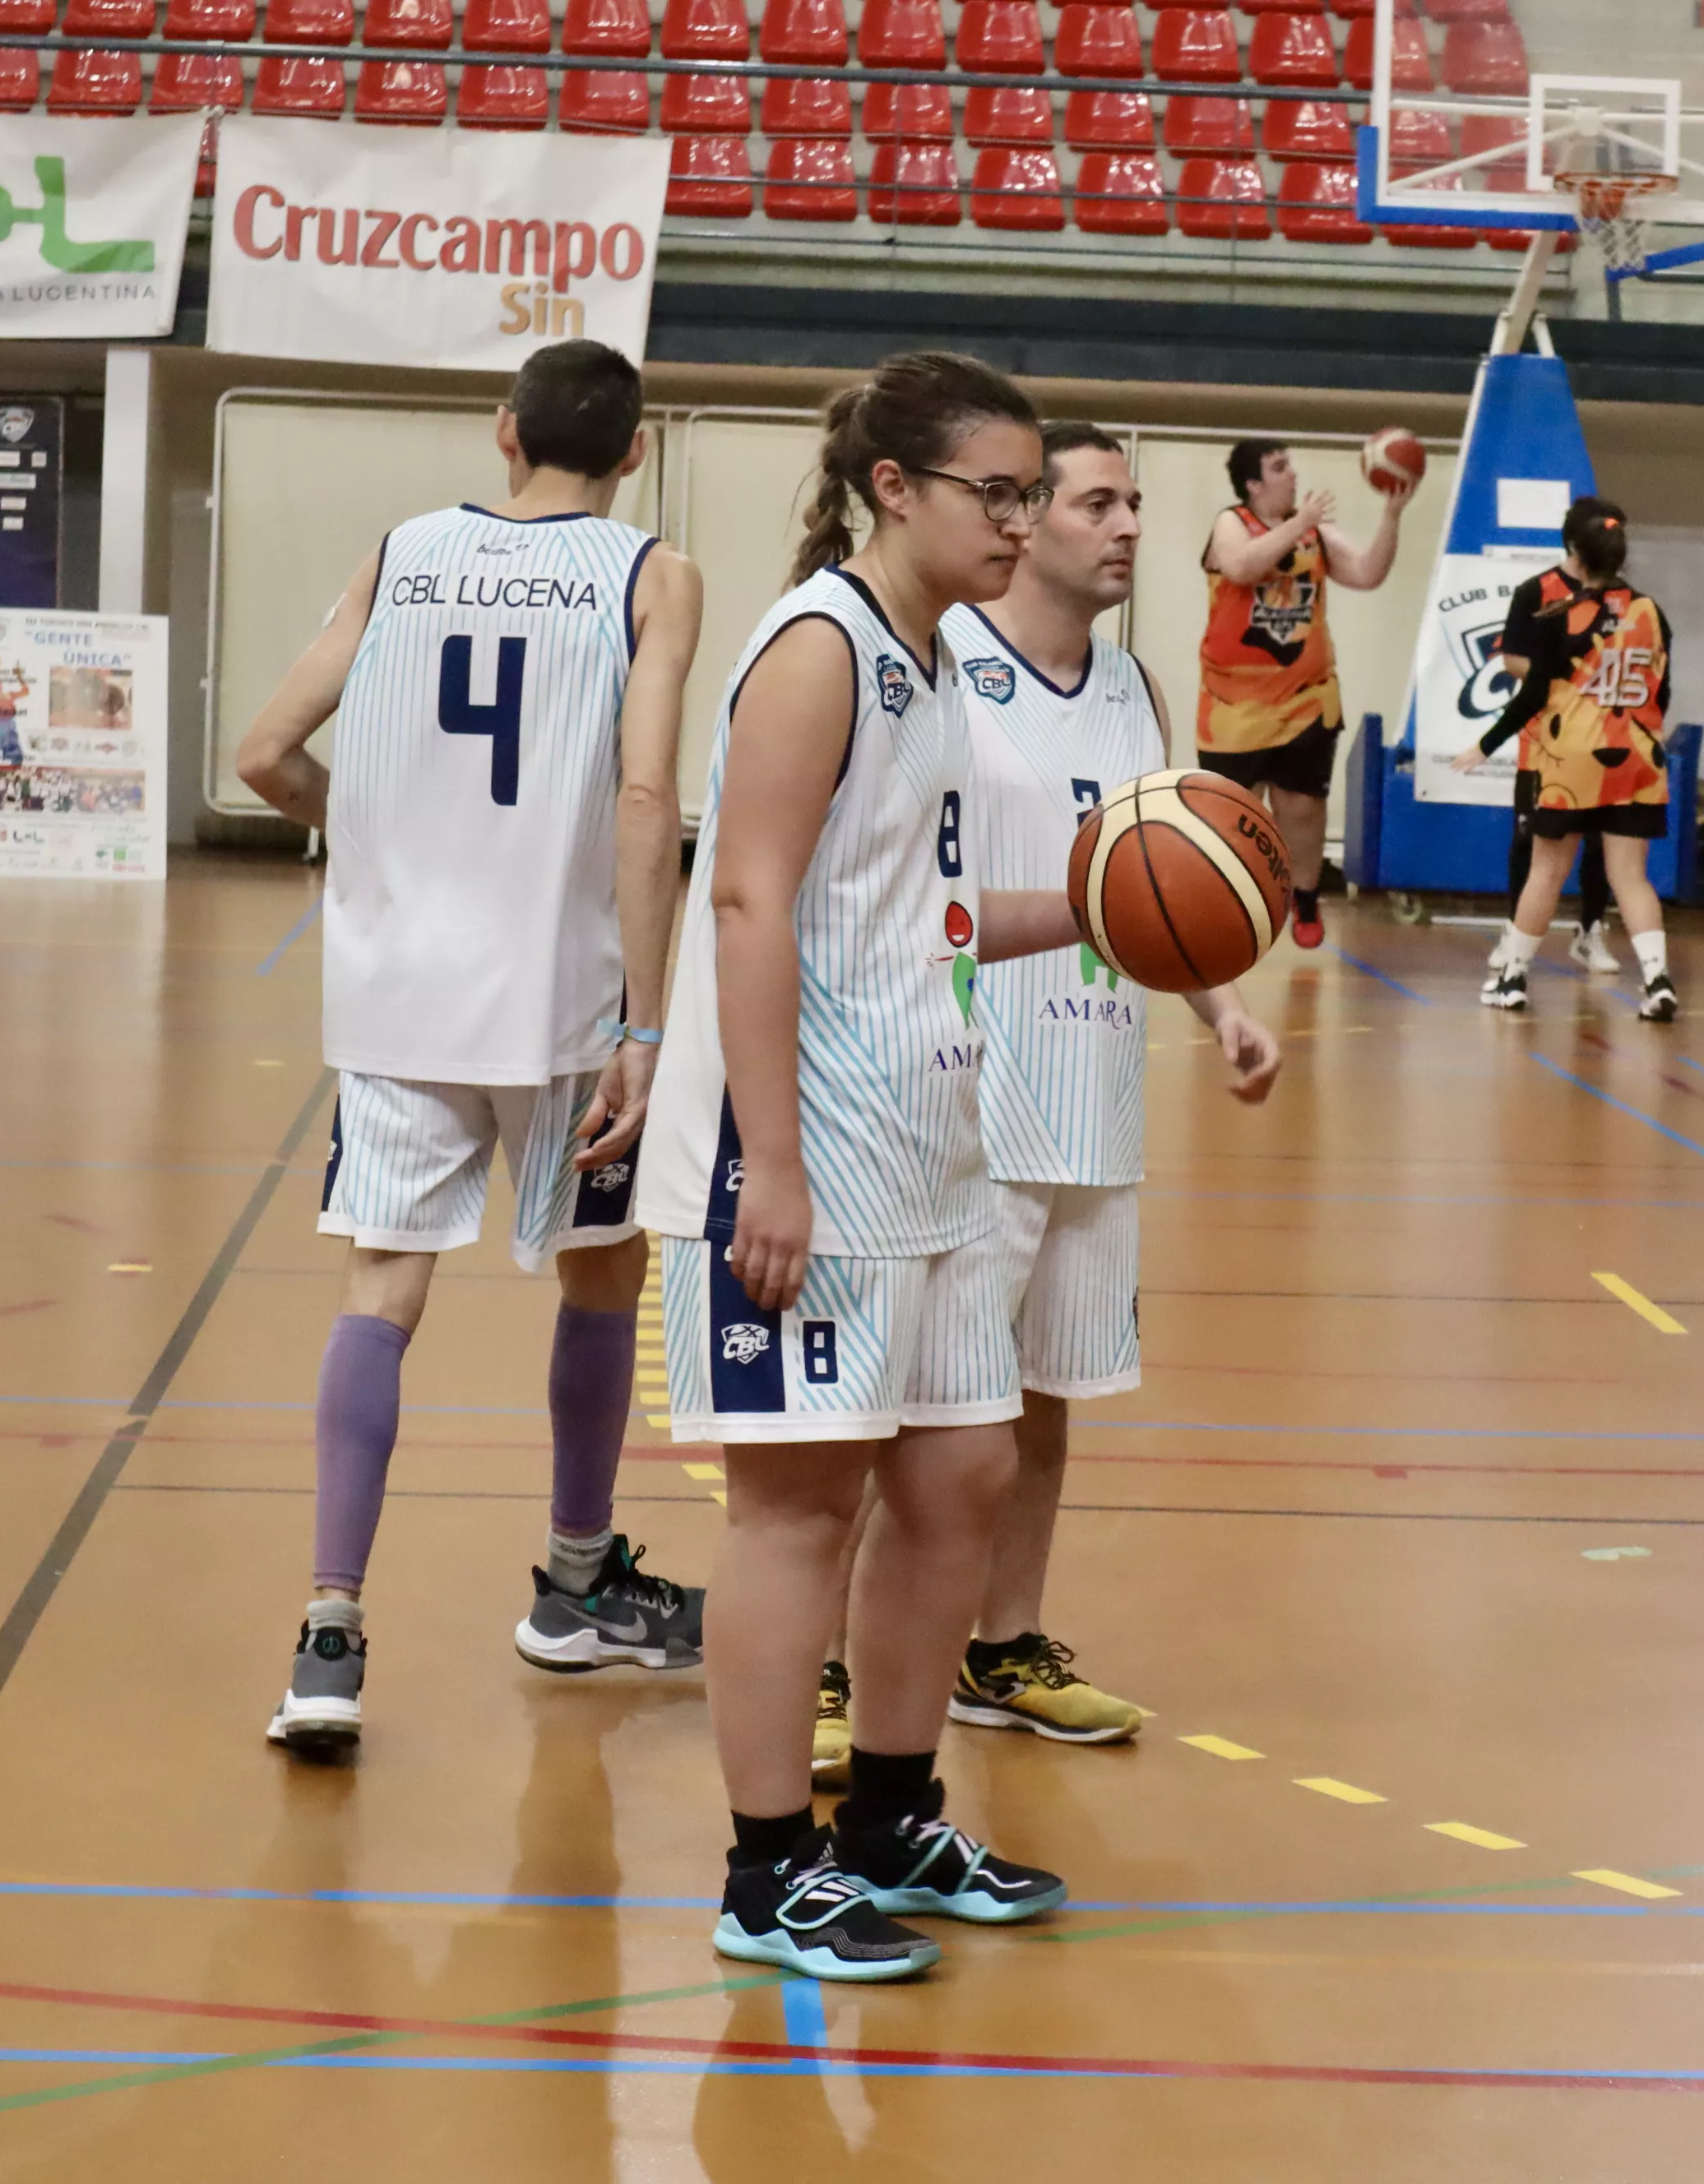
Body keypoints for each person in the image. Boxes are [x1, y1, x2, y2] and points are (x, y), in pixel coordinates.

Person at [634, 352, 1091, 1984]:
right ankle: (768, 1871)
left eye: (1038, 491)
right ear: (893, 486)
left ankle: (892, 1813)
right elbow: (745, 899)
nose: (1025, 519)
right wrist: (768, 1159)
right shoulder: (818, 647)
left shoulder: (941, 663)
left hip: (936, 1140)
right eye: (1001, 491)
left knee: (961, 1472)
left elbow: (938, 915)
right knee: (796, 1511)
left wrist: (1117, 900)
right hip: (805, 1152)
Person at [234, 339, 706, 1755]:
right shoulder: (651, 572)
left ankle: (327, 1637)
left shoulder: (401, 552)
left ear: (503, 433)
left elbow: (265, 752)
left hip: (400, 997)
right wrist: (646, 1017)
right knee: (601, 1272)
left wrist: (370, 831)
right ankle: (571, 1587)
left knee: (381, 1287)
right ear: (633, 454)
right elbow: (643, 793)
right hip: (562, 998)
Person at [893, 422, 1283, 1755]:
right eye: (1097, 502)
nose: (1126, 527)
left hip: (1093, 1089)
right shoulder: (941, 668)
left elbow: (1155, 887)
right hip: (969, 1094)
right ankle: (848, 1664)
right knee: (931, 1409)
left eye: (1136, 504)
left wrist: (1222, 1011)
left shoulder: (1131, 689)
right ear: (1025, 517)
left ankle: (999, 1648)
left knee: (1047, 1393)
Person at [1450, 497, 1678, 1023]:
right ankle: (1659, 982)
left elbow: (1530, 697)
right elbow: (1663, 691)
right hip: (1637, 759)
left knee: (1547, 869)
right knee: (1633, 877)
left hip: (1571, 759)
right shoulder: (1651, 613)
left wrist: (1484, 744)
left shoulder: (1561, 614)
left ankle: (1512, 979)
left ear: (1575, 550)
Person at [1198, 437, 1409, 951]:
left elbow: (1366, 573)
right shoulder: (1232, 522)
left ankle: (1307, 896)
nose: (1292, 474)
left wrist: (1392, 515)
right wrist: (1299, 523)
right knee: (1231, 812)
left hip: (1306, 698)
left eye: (1290, 464)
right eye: (1279, 467)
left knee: (1304, 808)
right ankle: (1220, 903)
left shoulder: (1314, 529)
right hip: (1234, 704)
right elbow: (1244, 567)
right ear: (1253, 484)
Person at [1496, 558, 1618, 977]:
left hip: (1600, 742)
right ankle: (1514, 932)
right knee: (1529, 840)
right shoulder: (1537, 592)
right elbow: (1512, 660)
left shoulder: (1622, 601)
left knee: (1601, 843)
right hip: (1544, 738)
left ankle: (1589, 931)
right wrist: (1562, 678)